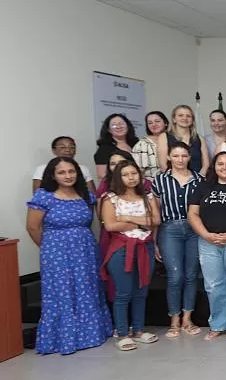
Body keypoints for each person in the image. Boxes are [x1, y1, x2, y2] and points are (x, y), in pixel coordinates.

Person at [26, 158, 112, 354]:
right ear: (52, 175)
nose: (68, 176)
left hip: (85, 250)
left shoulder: (84, 194)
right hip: (56, 253)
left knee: (87, 289)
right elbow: (32, 227)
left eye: (71, 171)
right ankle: (64, 338)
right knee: (62, 292)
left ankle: (91, 335)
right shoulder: (43, 196)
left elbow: (90, 221)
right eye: (62, 172)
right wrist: (51, 248)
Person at [188, 151, 226, 341]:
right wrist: (206, 235)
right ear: (214, 167)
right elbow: (192, 214)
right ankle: (217, 324)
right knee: (214, 285)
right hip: (208, 243)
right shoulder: (203, 186)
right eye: (220, 164)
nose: (224, 167)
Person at [99, 160, 161, 351]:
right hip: (121, 248)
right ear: (118, 177)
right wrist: (141, 223)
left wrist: (126, 218)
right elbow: (110, 225)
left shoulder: (148, 196)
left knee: (141, 290)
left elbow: (156, 220)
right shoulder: (110, 198)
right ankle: (123, 333)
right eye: (126, 174)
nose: (131, 178)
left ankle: (139, 330)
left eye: (134, 173)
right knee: (123, 291)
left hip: (145, 247)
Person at [151, 142, 203, 339]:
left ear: (189, 157)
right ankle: (174, 319)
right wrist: (155, 240)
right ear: (169, 158)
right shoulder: (160, 180)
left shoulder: (199, 180)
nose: (180, 160)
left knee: (191, 275)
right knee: (175, 276)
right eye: (176, 156)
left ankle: (187, 318)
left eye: (184, 156)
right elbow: (155, 211)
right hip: (169, 229)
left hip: (193, 229)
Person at [158, 104, 207, 174]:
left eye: (188, 116)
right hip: (173, 181)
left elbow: (205, 165)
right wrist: (178, 180)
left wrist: (198, 179)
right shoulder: (164, 137)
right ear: (174, 119)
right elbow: (163, 165)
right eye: (180, 115)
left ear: (192, 120)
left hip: (197, 181)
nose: (185, 118)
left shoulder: (200, 139)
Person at [95, 113, 139, 181]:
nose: (119, 127)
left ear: (127, 126)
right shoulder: (104, 149)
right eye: (114, 125)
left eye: (121, 124)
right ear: (109, 130)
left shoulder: (137, 144)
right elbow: (102, 176)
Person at [131, 110, 168, 180]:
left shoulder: (174, 140)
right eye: (150, 123)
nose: (154, 124)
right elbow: (137, 171)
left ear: (165, 123)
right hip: (151, 187)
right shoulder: (142, 144)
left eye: (157, 121)